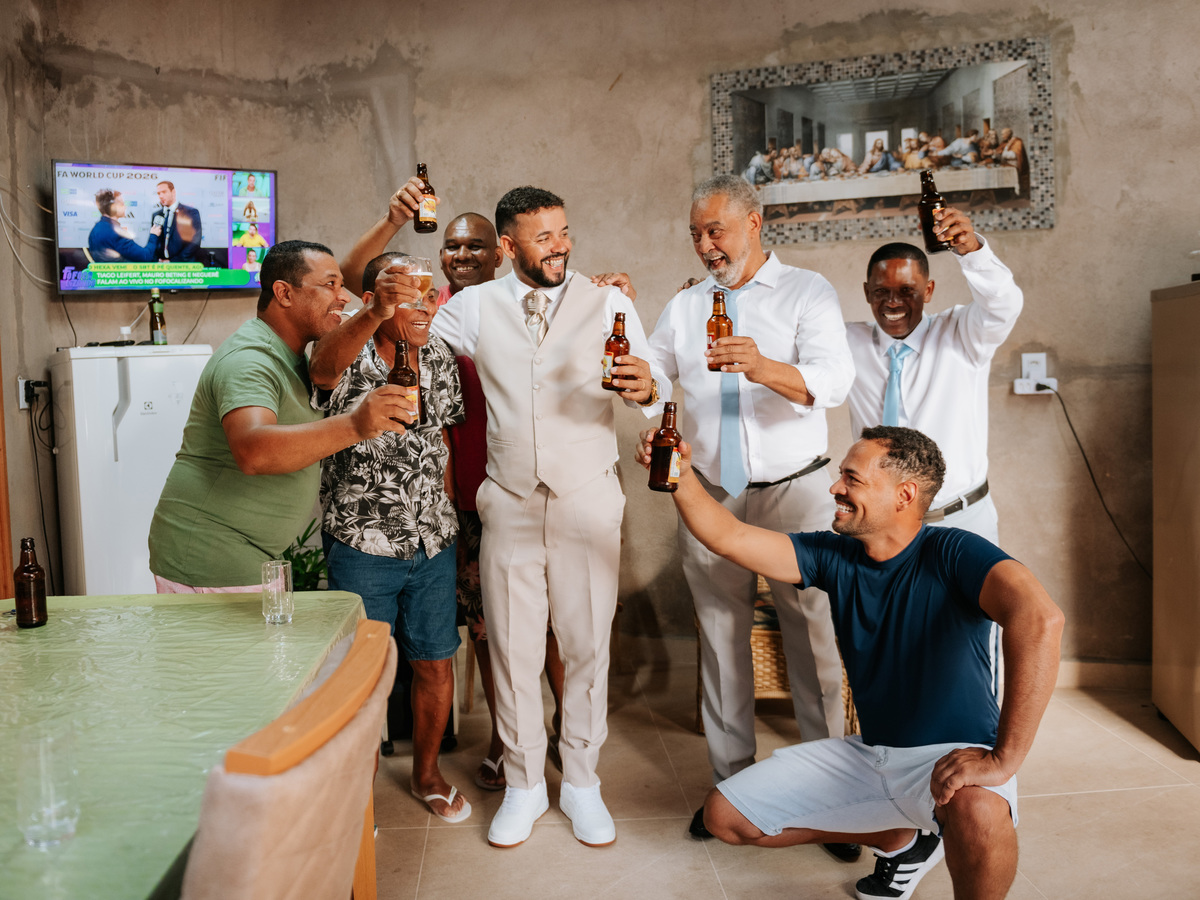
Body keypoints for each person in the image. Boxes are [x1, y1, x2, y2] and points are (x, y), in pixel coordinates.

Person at [652, 426, 1063, 900]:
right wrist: (680, 473)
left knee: (980, 812)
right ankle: (898, 839)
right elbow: (729, 537)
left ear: (904, 495)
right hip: (871, 754)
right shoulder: (833, 556)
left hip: (952, 753)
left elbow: (1041, 619)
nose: (835, 487)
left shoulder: (954, 552)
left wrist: (1003, 759)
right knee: (724, 817)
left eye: (852, 478)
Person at [432, 186, 666, 850]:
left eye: (564, 232)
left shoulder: (609, 301)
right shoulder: (471, 307)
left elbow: (655, 389)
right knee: (511, 648)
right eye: (544, 237)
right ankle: (525, 784)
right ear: (508, 247)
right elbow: (409, 340)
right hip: (507, 498)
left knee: (587, 644)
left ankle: (583, 783)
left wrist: (648, 388)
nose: (561, 246)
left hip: (587, 493)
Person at [643, 174, 858, 859]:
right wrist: (641, 386)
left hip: (797, 492)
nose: (706, 245)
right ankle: (735, 791)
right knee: (719, 637)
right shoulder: (685, 306)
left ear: (754, 224)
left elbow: (834, 382)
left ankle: (829, 800)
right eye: (696, 234)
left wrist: (763, 365)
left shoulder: (807, 291)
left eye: (717, 231)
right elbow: (653, 372)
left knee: (814, 639)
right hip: (711, 490)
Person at [148, 240, 413, 592]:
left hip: (243, 553)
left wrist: (377, 311)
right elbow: (254, 451)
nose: (343, 296)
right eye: (330, 284)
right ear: (284, 293)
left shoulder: (291, 354)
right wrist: (355, 424)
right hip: (211, 554)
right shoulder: (249, 359)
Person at [308, 253, 469, 824]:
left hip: (433, 540)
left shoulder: (440, 357)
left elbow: (442, 443)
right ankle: (358, 795)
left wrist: (454, 528)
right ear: (376, 300)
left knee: (435, 662)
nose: (425, 308)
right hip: (363, 543)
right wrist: (375, 310)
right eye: (408, 297)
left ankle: (427, 775)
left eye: (429, 297)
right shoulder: (345, 352)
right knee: (361, 676)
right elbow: (321, 371)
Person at [845, 207, 1023, 544]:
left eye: (907, 290)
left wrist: (972, 252)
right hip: (881, 524)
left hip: (961, 522)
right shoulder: (848, 343)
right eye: (881, 291)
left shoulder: (962, 333)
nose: (893, 302)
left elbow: (1005, 304)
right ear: (867, 292)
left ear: (928, 290)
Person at [86, 188, 160, 263]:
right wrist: (154, 235)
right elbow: (146, 256)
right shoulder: (116, 233)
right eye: (122, 204)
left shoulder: (95, 230)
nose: (125, 207)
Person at [154, 181, 203, 262]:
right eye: (158, 193)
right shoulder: (157, 215)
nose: (161, 196)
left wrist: (173, 262)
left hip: (183, 265)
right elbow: (155, 240)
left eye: (164, 192)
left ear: (173, 192)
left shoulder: (190, 212)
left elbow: (195, 241)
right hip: (162, 265)